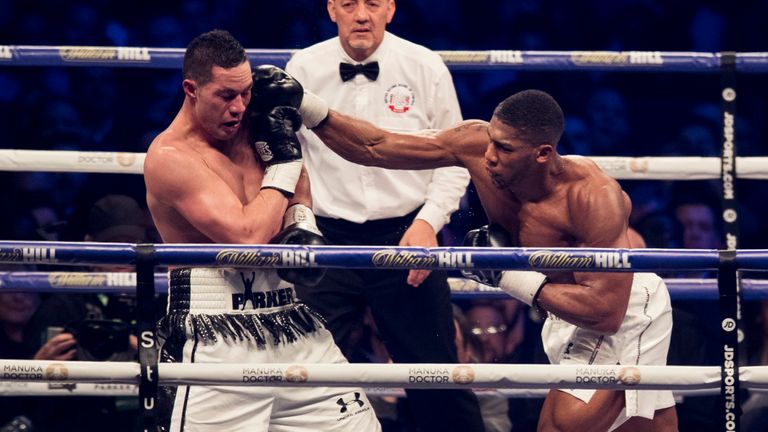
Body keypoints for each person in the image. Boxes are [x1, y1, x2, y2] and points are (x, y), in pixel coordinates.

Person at [250, 71, 679, 430]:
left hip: (623, 306)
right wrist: (311, 107)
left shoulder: (593, 198)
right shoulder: (478, 146)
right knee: (644, 423)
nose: (488, 156)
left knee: (563, 425)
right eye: (492, 140)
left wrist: (505, 275)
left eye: (505, 149)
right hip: (561, 307)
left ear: (543, 154)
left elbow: (607, 311)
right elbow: (377, 147)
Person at [142, 30, 380, 431]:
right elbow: (247, 236)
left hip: (291, 320)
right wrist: (286, 162)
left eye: (246, 93)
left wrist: (301, 222)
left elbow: (296, 183)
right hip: (213, 332)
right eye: (226, 96)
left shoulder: (254, 126)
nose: (239, 107)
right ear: (191, 89)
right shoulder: (171, 158)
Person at [283, 2, 481, 430]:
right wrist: (299, 221)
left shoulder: (423, 65)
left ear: (390, 9)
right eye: (350, 3)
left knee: (437, 378)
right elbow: (288, 156)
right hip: (326, 243)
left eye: (373, 3)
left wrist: (428, 223)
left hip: (406, 237)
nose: (361, 14)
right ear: (332, 8)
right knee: (301, 375)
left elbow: (456, 158)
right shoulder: (303, 65)